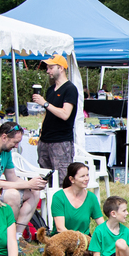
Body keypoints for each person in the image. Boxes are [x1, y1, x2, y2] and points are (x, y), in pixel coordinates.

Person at [31, 54, 78, 187]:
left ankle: (64, 206)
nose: (48, 71)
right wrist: (41, 134)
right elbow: (49, 113)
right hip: (45, 140)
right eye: (47, 68)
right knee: (45, 178)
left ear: (61, 68)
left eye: (51, 67)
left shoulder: (70, 89)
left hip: (61, 141)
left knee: (63, 180)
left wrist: (45, 103)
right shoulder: (51, 89)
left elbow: (65, 114)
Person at [51, 162, 103, 236]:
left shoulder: (91, 197)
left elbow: (101, 223)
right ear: (72, 179)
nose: (87, 179)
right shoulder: (58, 197)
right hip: (62, 239)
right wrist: (77, 241)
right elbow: (60, 228)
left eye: (87, 175)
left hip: (84, 239)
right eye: (82, 176)